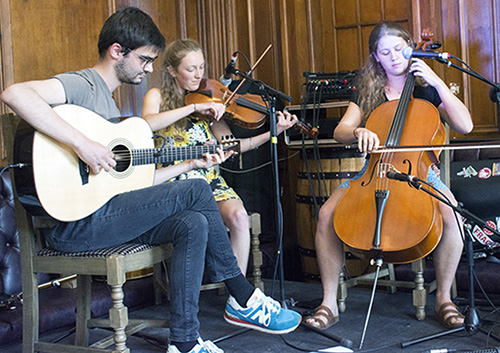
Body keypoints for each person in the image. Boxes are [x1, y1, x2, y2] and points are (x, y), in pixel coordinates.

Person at [0, 7, 300, 353]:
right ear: (117, 51)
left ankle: (185, 342)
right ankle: (243, 297)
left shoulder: (108, 106)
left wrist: (188, 164)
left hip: (105, 214)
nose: (148, 69)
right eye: (143, 60)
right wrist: (82, 144)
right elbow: (14, 94)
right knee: (199, 189)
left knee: (191, 223)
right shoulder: (82, 85)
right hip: (73, 228)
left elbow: (129, 183)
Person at [304, 22, 473, 331]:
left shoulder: (426, 88)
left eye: (400, 49)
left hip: (419, 175)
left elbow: (466, 126)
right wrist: (358, 130)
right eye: (385, 52)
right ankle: (328, 302)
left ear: (411, 48)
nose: (394, 57)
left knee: (453, 218)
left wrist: (436, 81)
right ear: (375, 57)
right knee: (327, 214)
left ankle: (444, 300)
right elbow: (341, 130)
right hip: (374, 172)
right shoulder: (368, 89)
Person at [141, 38, 298, 275]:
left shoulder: (210, 101)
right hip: (172, 182)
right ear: (172, 70)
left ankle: (238, 293)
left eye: (201, 67)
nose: (198, 75)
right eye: (190, 69)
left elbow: (232, 146)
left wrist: (272, 133)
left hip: (209, 182)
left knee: (238, 215)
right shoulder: (158, 96)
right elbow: (147, 124)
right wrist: (192, 109)